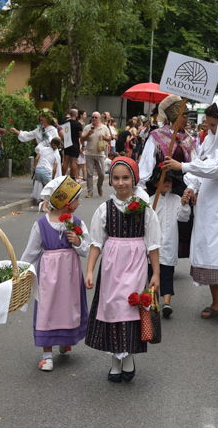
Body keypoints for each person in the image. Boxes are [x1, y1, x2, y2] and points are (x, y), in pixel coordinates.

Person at [165, 101, 218, 324]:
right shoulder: (210, 141)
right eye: (209, 124)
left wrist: (182, 166)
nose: (211, 129)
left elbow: (215, 168)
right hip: (208, 198)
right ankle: (215, 302)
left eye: (214, 125)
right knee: (208, 246)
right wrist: (192, 187)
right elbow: (201, 164)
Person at [84, 157, 160, 383]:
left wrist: (156, 273)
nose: (120, 183)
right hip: (112, 266)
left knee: (129, 307)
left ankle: (127, 358)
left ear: (134, 180)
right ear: (110, 181)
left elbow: (153, 244)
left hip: (135, 263)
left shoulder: (145, 210)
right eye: (116, 178)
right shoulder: (104, 209)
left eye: (125, 178)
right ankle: (115, 360)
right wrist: (90, 270)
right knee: (112, 308)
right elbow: (96, 243)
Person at [21, 175, 89, 371]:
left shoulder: (76, 223)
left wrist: (78, 242)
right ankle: (47, 355)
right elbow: (31, 252)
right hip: (48, 276)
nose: (79, 202)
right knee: (47, 309)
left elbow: (87, 249)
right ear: (65, 201)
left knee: (68, 307)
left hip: (70, 276)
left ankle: (65, 339)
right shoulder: (41, 224)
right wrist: (21, 271)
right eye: (76, 199)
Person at [150, 171, 191, 318]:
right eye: (164, 180)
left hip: (169, 244)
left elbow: (184, 218)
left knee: (167, 274)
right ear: (156, 183)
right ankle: (153, 302)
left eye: (170, 181)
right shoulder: (149, 201)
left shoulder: (176, 199)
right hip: (153, 245)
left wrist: (184, 205)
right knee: (152, 274)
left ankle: (167, 303)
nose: (167, 183)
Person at [80, 111, 114, 198]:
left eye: (96, 117)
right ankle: (90, 192)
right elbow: (82, 139)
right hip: (89, 153)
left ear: (99, 118)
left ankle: (99, 186)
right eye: (92, 117)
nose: (94, 119)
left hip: (100, 153)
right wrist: (88, 134)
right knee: (89, 174)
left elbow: (110, 138)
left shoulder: (104, 127)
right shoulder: (87, 127)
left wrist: (104, 137)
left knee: (102, 174)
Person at [63, 109, 83, 179]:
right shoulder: (78, 124)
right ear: (76, 115)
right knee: (73, 161)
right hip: (75, 144)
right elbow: (81, 136)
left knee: (65, 161)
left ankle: (62, 176)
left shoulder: (66, 122)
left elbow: (63, 133)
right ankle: (72, 178)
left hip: (67, 143)